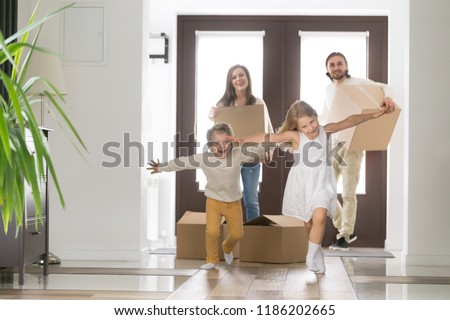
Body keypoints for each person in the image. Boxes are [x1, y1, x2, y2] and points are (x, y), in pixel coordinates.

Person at [231, 100, 394, 273]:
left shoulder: (325, 130)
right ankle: (318, 254)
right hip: (302, 186)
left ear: (317, 117)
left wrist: (376, 114)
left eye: (312, 122)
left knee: (320, 217)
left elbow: (351, 120)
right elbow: (268, 137)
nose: (310, 128)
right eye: (304, 126)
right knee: (309, 225)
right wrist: (242, 140)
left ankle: (310, 256)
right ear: (297, 128)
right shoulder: (295, 137)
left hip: (323, 183)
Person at [147, 122, 264, 270]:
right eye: (216, 143)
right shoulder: (204, 158)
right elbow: (182, 162)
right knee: (212, 231)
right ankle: (212, 260)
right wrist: (162, 167)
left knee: (237, 234)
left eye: (226, 142)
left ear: (232, 142)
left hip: (233, 202)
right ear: (209, 146)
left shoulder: (238, 154)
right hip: (214, 201)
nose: (222, 146)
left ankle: (227, 248)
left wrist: (247, 142)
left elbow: (260, 149)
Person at [321, 52, 397, 251]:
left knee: (348, 192)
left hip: (353, 144)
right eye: (332, 65)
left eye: (339, 64)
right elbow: (325, 115)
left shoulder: (357, 83)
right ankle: (344, 228)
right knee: (325, 189)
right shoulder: (329, 89)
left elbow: (385, 86)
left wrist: (387, 97)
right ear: (327, 69)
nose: (336, 67)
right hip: (334, 144)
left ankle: (344, 236)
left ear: (346, 66)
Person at [208, 64, 274, 222]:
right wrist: (211, 115)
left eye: (241, 75)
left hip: (251, 159)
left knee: (251, 201)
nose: (238, 79)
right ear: (230, 82)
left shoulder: (258, 103)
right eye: (234, 77)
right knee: (227, 199)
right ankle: (229, 236)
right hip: (230, 160)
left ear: (247, 78)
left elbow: (268, 129)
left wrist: (269, 151)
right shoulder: (223, 105)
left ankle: (253, 237)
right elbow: (216, 131)